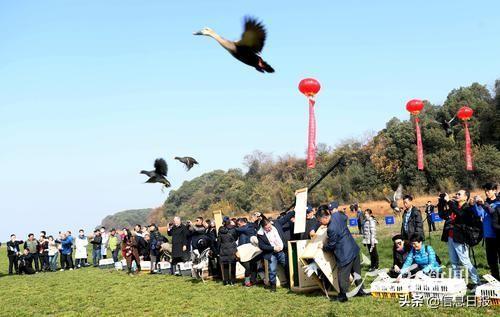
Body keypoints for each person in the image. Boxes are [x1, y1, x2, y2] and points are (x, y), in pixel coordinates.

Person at [317, 205, 368, 302]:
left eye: (320, 221)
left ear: (325, 217)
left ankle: (343, 296)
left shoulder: (331, 229)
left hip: (345, 254)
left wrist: (323, 246)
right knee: (357, 273)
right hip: (353, 249)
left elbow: (331, 246)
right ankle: (361, 291)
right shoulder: (336, 215)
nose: (320, 223)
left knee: (342, 276)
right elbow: (345, 218)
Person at [438, 190, 481, 290]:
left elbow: (461, 214)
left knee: (465, 261)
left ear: (465, 197)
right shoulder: (453, 207)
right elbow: (442, 215)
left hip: (460, 238)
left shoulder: (467, 208)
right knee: (454, 262)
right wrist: (441, 202)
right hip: (450, 237)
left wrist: (449, 202)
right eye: (456, 194)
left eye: (459, 194)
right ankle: (457, 283)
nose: (456, 195)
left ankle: (477, 282)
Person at [474, 183, 500, 280]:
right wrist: (475, 205)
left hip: (497, 235)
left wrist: (483, 204)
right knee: (491, 260)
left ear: (494, 190)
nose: (486, 192)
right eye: (485, 190)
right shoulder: (484, 203)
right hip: (488, 235)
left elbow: (493, 212)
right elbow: (479, 213)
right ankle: (496, 280)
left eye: (489, 190)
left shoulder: (498, 202)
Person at [235, 217, 258, 287]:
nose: (238, 226)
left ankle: (250, 281)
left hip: (247, 250)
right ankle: (250, 281)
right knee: (250, 266)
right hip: (249, 250)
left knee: (250, 267)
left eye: (238, 224)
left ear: (242, 223)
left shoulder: (246, 228)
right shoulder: (250, 227)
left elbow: (237, 229)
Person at [218, 217, 238, 286]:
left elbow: (219, 241)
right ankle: (233, 281)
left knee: (225, 266)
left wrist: (218, 251)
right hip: (232, 249)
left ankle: (226, 281)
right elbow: (235, 238)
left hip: (223, 249)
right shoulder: (233, 229)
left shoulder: (220, 230)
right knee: (233, 265)